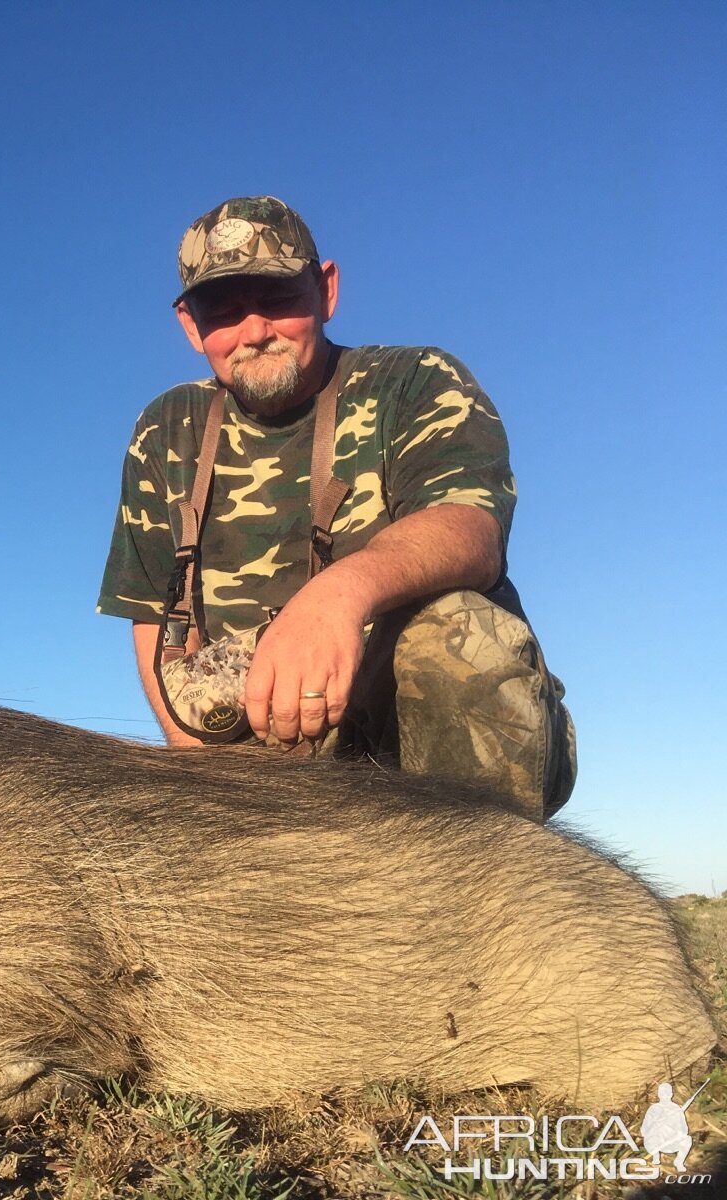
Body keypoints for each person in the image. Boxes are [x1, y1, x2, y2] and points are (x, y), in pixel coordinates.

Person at [97, 196, 575, 820]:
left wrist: (338, 597)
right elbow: (153, 619)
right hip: (262, 756)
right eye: (223, 309)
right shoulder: (165, 430)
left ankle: (483, 900)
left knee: (458, 630)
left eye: (278, 296)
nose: (254, 330)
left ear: (326, 290)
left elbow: (471, 530)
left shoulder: (415, 382)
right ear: (191, 326)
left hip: (416, 732)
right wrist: (205, 781)